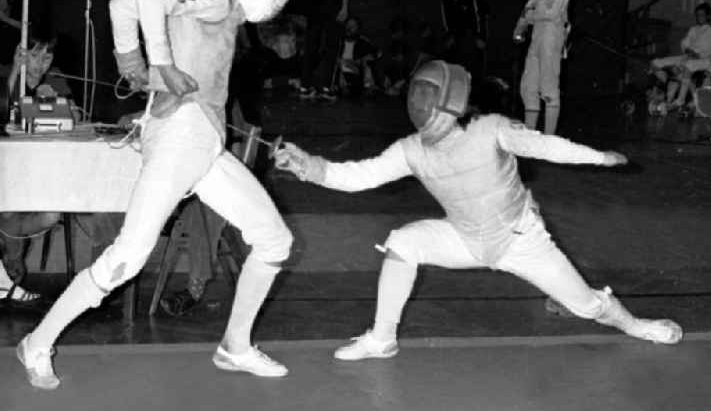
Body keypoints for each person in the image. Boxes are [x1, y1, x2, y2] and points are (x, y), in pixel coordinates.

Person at [17, 0, 298, 390]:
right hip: (181, 138)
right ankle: (37, 342)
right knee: (126, 257)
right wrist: (160, 64)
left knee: (273, 239)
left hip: (202, 144)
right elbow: (146, 0)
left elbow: (124, 5)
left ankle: (236, 345)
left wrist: (132, 61)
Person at [275, 60, 683, 361]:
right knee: (404, 242)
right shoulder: (411, 150)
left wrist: (596, 158)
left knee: (589, 308)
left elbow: (543, 145)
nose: (421, 106)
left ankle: (635, 324)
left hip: (522, 241)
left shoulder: (491, 129)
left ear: (450, 101)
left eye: (427, 98)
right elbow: (359, 175)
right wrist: (308, 166)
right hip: (466, 239)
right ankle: (382, 338)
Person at [514, 0, 573, 135]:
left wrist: (529, 16)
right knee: (529, 84)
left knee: (548, 86)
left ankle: (549, 139)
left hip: (551, 34)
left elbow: (550, 12)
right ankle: (530, 135)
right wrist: (520, 26)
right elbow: (531, 4)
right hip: (538, 34)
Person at [648, 3, 711, 106]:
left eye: (702, 15)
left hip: (704, 60)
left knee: (685, 66)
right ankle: (665, 79)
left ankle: (680, 99)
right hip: (688, 56)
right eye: (697, 15)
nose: (699, 17)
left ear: (708, 16)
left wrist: (697, 54)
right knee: (655, 62)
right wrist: (687, 50)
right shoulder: (693, 29)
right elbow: (684, 43)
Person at [438, 0, 487, 85]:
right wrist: (449, 35)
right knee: (451, 56)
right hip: (455, 30)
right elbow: (445, 16)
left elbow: (478, 17)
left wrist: (480, 37)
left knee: (474, 58)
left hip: (471, 29)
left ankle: (475, 83)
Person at [334, 16, 380, 97]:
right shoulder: (338, 41)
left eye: (353, 26)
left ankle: (368, 87)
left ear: (358, 29)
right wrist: (341, 61)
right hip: (341, 72)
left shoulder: (362, 42)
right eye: (348, 25)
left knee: (368, 64)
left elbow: (378, 53)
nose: (349, 28)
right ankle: (342, 87)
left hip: (356, 72)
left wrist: (363, 59)